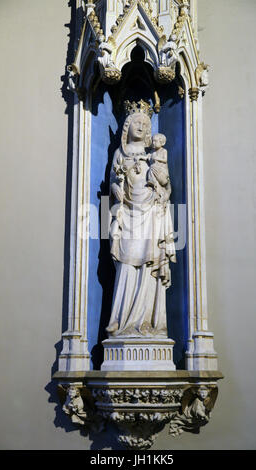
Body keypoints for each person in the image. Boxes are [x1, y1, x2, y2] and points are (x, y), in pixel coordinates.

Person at [106, 101, 176, 338]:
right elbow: (113, 185)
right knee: (126, 264)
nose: (141, 127)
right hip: (128, 214)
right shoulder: (119, 153)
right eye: (137, 122)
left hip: (151, 215)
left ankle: (148, 323)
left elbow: (166, 186)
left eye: (145, 124)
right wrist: (118, 191)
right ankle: (120, 321)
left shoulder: (154, 157)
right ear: (127, 126)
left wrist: (161, 195)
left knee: (148, 266)